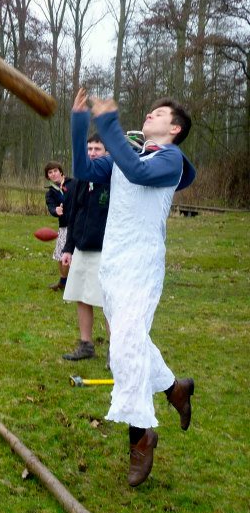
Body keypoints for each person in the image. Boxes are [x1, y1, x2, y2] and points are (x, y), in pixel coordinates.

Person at [71, 88, 196, 487]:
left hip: (142, 264)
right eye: (150, 111)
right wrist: (80, 123)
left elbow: (139, 173)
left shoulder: (170, 160)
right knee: (132, 340)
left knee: (124, 344)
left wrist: (108, 124)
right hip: (113, 263)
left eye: (159, 114)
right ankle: (175, 389)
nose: (150, 115)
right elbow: (83, 169)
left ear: (174, 129)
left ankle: (141, 437)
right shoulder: (128, 155)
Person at [60, 133, 111, 361]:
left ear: (107, 152)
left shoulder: (113, 179)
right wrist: (68, 248)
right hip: (81, 248)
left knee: (108, 303)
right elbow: (74, 214)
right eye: (89, 149)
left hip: (105, 251)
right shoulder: (82, 178)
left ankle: (115, 353)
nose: (92, 153)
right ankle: (86, 345)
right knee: (81, 295)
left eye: (97, 149)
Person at [44, 161, 73, 291]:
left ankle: (72, 284)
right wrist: (56, 210)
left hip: (77, 224)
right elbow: (51, 207)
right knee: (61, 256)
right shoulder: (50, 193)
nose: (53, 174)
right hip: (64, 226)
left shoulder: (73, 183)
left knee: (72, 256)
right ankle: (63, 282)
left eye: (55, 171)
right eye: (50, 172)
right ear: (48, 176)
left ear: (61, 171)